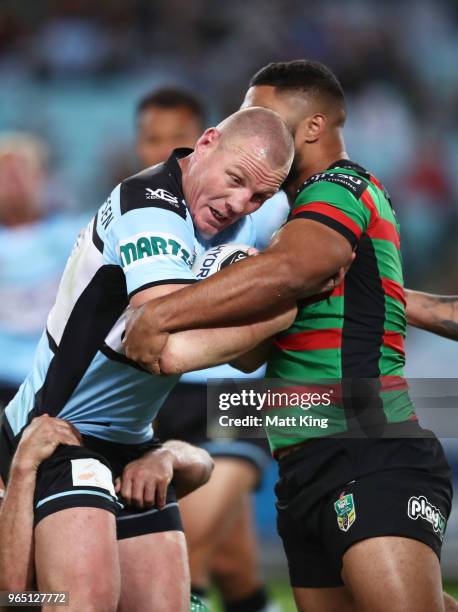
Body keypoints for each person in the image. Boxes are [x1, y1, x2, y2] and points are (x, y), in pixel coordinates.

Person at [124, 60, 456, 612]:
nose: (254, 129)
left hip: (365, 446)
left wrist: (163, 316)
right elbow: (253, 351)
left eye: (266, 115)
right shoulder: (284, 215)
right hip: (302, 462)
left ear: (314, 127)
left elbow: (305, 263)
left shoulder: (339, 186)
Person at [0, 106, 295, 612]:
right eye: (237, 180)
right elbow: (158, 339)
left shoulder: (250, 213)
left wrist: (169, 454)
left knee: (195, 585)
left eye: (259, 194)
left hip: (140, 440)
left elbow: (245, 361)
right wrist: (283, 310)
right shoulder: (147, 207)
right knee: (69, 601)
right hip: (58, 435)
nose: (241, 203)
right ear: (206, 145)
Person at [136, 86, 285, 611]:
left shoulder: (263, 209)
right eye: (151, 138)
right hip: (155, 399)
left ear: (206, 141)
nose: (162, 149)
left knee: (182, 556)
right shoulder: (140, 213)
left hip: (234, 397)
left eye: (175, 137)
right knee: (234, 568)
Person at [0, 415, 213, 599]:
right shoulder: (25, 460)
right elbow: (12, 597)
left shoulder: (122, 460)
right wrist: (23, 467)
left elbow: (203, 466)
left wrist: (166, 455)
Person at [0, 132, 84, 409]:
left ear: (42, 178)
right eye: (4, 172)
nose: (13, 181)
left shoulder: (80, 236)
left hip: (58, 381)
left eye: (21, 171)